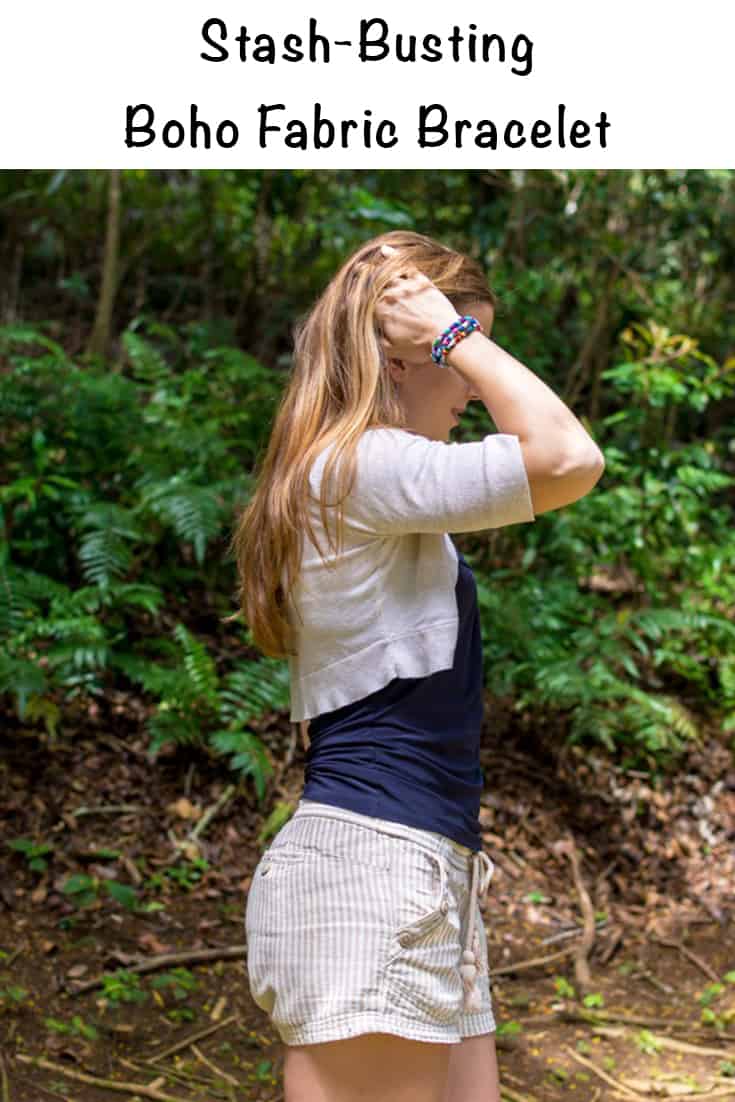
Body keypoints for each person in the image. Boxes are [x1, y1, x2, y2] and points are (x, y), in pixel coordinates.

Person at [230, 230, 605, 1102]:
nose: (473, 391)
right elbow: (567, 457)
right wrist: (454, 333)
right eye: (457, 358)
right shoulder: (355, 465)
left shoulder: (354, 475)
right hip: (371, 870)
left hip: (420, 868)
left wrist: (451, 337)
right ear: (398, 357)